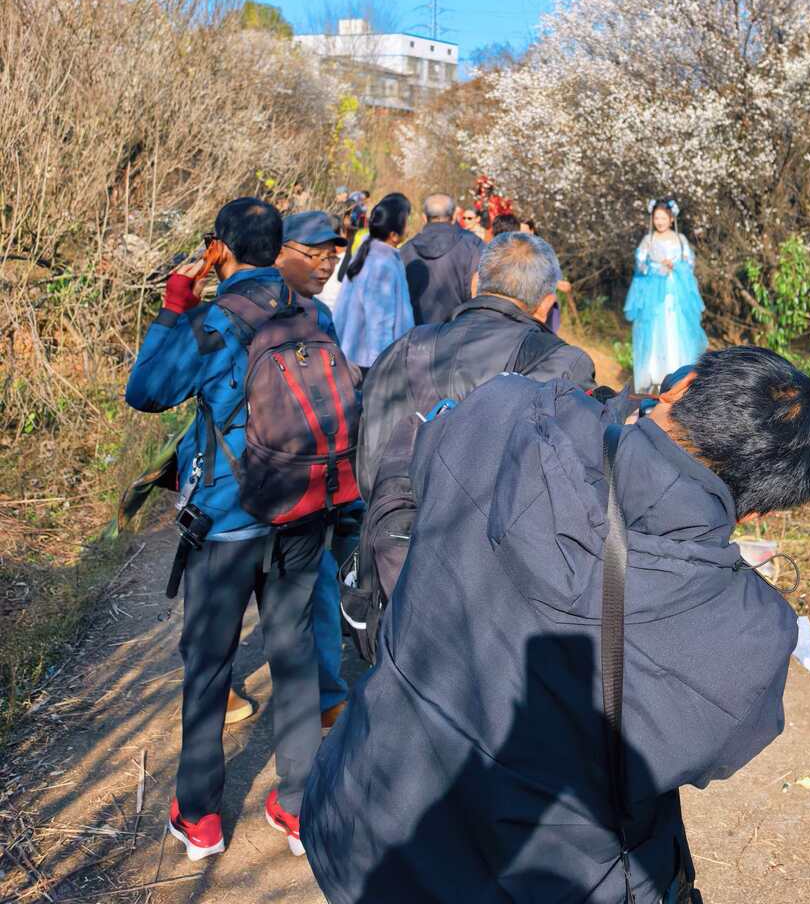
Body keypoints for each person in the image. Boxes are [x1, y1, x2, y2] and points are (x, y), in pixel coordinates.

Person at [301, 346, 810, 902]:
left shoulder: (500, 412)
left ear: (679, 386)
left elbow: (431, 458)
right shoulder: (753, 638)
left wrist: (617, 417)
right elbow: (710, 753)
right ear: (754, 515)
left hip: (362, 820)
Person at [125, 198, 322, 862]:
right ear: (279, 248)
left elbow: (147, 389)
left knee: (209, 667)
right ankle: (299, 809)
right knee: (294, 656)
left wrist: (177, 299)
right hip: (303, 513)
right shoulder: (310, 313)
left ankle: (202, 818)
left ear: (223, 250)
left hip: (228, 521)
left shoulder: (213, 322)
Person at [356, 230, 595, 497]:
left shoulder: (405, 346)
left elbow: (369, 456)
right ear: (547, 305)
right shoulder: (564, 364)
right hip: (484, 537)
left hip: (387, 527)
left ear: (474, 285)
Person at [275, 210, 360, 732]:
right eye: (314, 252)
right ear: (280, 250)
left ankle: (328, 692)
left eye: (332, 253)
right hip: (258, 473)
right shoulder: (244, 309)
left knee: (319, 582)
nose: (326, 264)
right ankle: (215, 690)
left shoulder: (319, 316)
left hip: (310, 475)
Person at [625, 197, 709, 392]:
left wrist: (676, 266)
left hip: (676, 293)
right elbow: (640, 264)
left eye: (663, 218)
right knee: (655, 330)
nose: (660, 222)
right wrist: (655, 267)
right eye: (656, 218)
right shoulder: (649, 239)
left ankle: (678, 372)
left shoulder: (680, 239)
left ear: (671, 218)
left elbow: (689, 263)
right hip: (654, 295)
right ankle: (655, 374)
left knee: (677, 329)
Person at [332, 193, 414, 373]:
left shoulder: (368, 249)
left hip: (355, 354)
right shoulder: (382, 264)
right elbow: (379, 323)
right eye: (406, 221)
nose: (408, 228)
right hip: (369, 362)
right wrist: (383, 368)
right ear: (393, 234)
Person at [399, 192, 483, 325]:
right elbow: (480, 295)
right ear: (454, 217)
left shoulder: (405, 251)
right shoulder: (473, 247)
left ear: (424, 218)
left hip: (416, 336)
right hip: (459, 335)